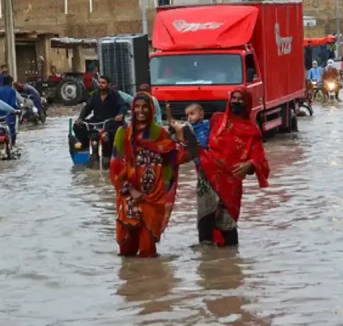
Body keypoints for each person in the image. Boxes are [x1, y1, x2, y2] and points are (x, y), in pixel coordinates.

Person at [109, 92, 191, 257]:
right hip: (128, 197)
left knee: (147, 250)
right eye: (137, 107)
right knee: (126, 250)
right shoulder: (123, 133)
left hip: (153, 199)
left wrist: (181, 137)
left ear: (152, 109)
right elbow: (115, 168)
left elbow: (177, 158)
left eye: (145, 107)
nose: (141, 110)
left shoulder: (160, 134)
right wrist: (131, 191)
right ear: (132, 109)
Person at [187, 87, 270, 247]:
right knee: (205, 221)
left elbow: (260, 159)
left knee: (228, 225)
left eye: (240, 99)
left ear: (247, 103)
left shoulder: (252, 131)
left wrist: (249, 165)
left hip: (231, 184)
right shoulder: (217, 119)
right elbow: (197, 138)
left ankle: (231, 264)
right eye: (234, 98)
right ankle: (208, 265)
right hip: (207, 177)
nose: (236, 101)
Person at [74, 75, 128, 159]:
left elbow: (124, 105)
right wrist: (80, 118)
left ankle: (113, 154)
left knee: (116, 132)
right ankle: (85, 146)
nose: (100, 84)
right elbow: (87, 108)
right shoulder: (94, 95)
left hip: (111, 122)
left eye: (103, 83)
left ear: (108, 85)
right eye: (99, 82)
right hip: (97, 121)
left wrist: (120, 114)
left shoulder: (114, 95)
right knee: (77, 126)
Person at [0, 75, 19, 144]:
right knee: (12, 131)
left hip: (2, 116)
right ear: (10, 82)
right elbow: (13, 104)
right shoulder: (12, 91)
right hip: (10, 114)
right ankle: (12, 144)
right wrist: (18, 109)